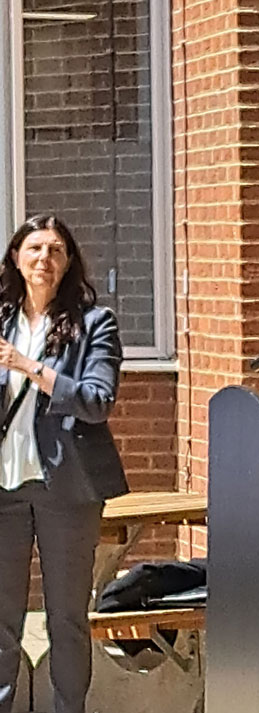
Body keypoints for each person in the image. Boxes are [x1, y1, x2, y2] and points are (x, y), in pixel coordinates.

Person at [0, 214, 127, 713]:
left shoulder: (96, 323)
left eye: (55, 250)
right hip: (4, 488)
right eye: (34, 248)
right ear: (16, 257)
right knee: (1, 620)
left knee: (67, 619)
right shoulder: (3, 320)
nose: (44, 259)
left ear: (69, 261)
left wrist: (29, 366)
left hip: (67, 489)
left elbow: (97, 401)